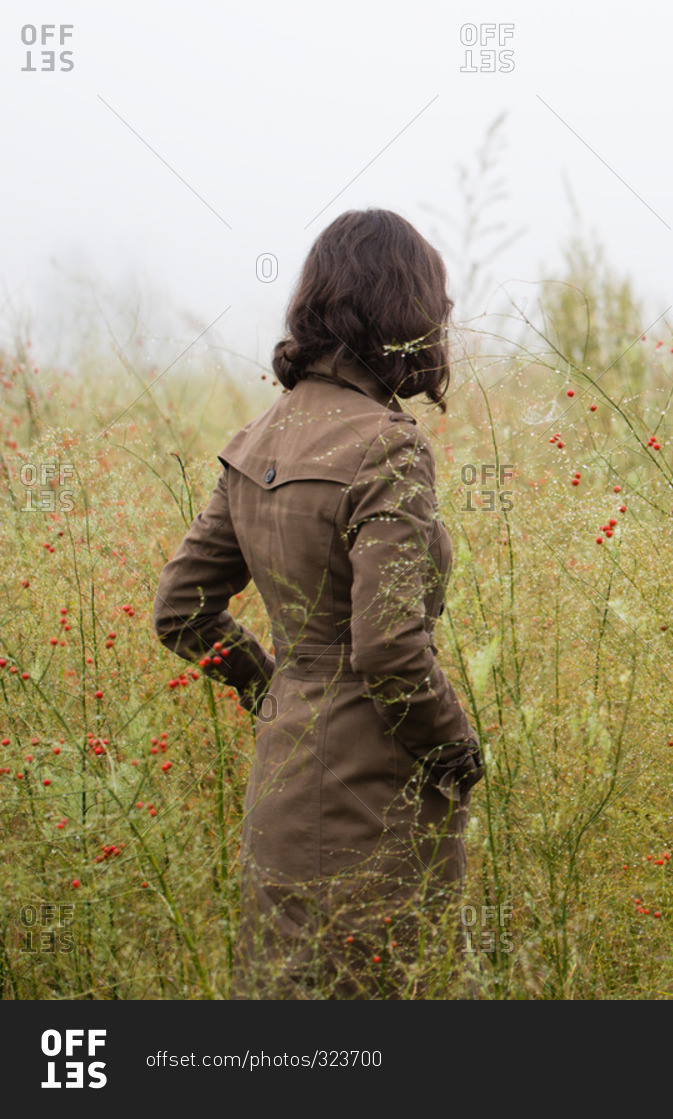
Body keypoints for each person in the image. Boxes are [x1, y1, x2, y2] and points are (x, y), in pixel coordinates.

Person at [153, 208, 484, 997]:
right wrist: (456, 751)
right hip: (376, 789)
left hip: (286, 775)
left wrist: (272, 687)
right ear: (402, 313)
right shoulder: (388, 445)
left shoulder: (256, 440)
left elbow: (180, 612)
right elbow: (389, 649)